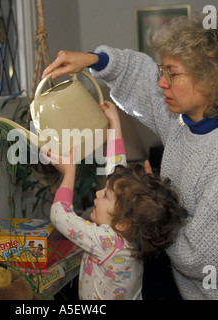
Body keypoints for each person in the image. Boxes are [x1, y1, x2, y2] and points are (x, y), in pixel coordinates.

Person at [42, 13, 218, 299]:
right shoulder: (183, 119)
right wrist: (94, 60)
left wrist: (154, 207)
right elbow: (141, 77)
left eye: (172, 73)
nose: (161, 83)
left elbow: (208, 258)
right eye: (162, 71)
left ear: (209, 80)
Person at [48, 100, 187, 300]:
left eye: (105, 195)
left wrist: (69, 172)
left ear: (122, 223)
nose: (97, 193)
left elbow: (59, 215)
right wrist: (115, 124)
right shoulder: (135, 236)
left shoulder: (106, 241)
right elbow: (117, 174)